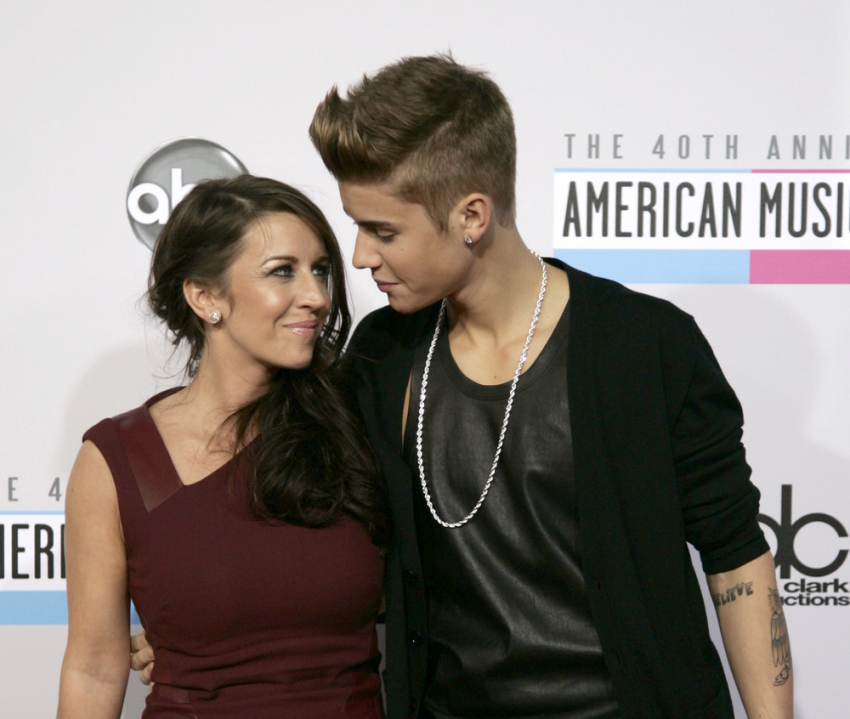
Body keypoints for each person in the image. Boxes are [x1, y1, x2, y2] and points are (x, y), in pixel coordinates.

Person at [306, 55, 793, 719]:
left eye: (384, 230)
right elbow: (332, 539)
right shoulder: (383, 355)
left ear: (472, 214)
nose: (360, 255)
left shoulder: (644, 346)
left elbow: (737, 560)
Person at [57, 175, 390, 719]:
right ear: (206, 297)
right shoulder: (119, 459)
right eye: (282, 271)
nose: (317, 296)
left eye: (320, 270)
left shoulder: (357, 422)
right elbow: (94, 668)